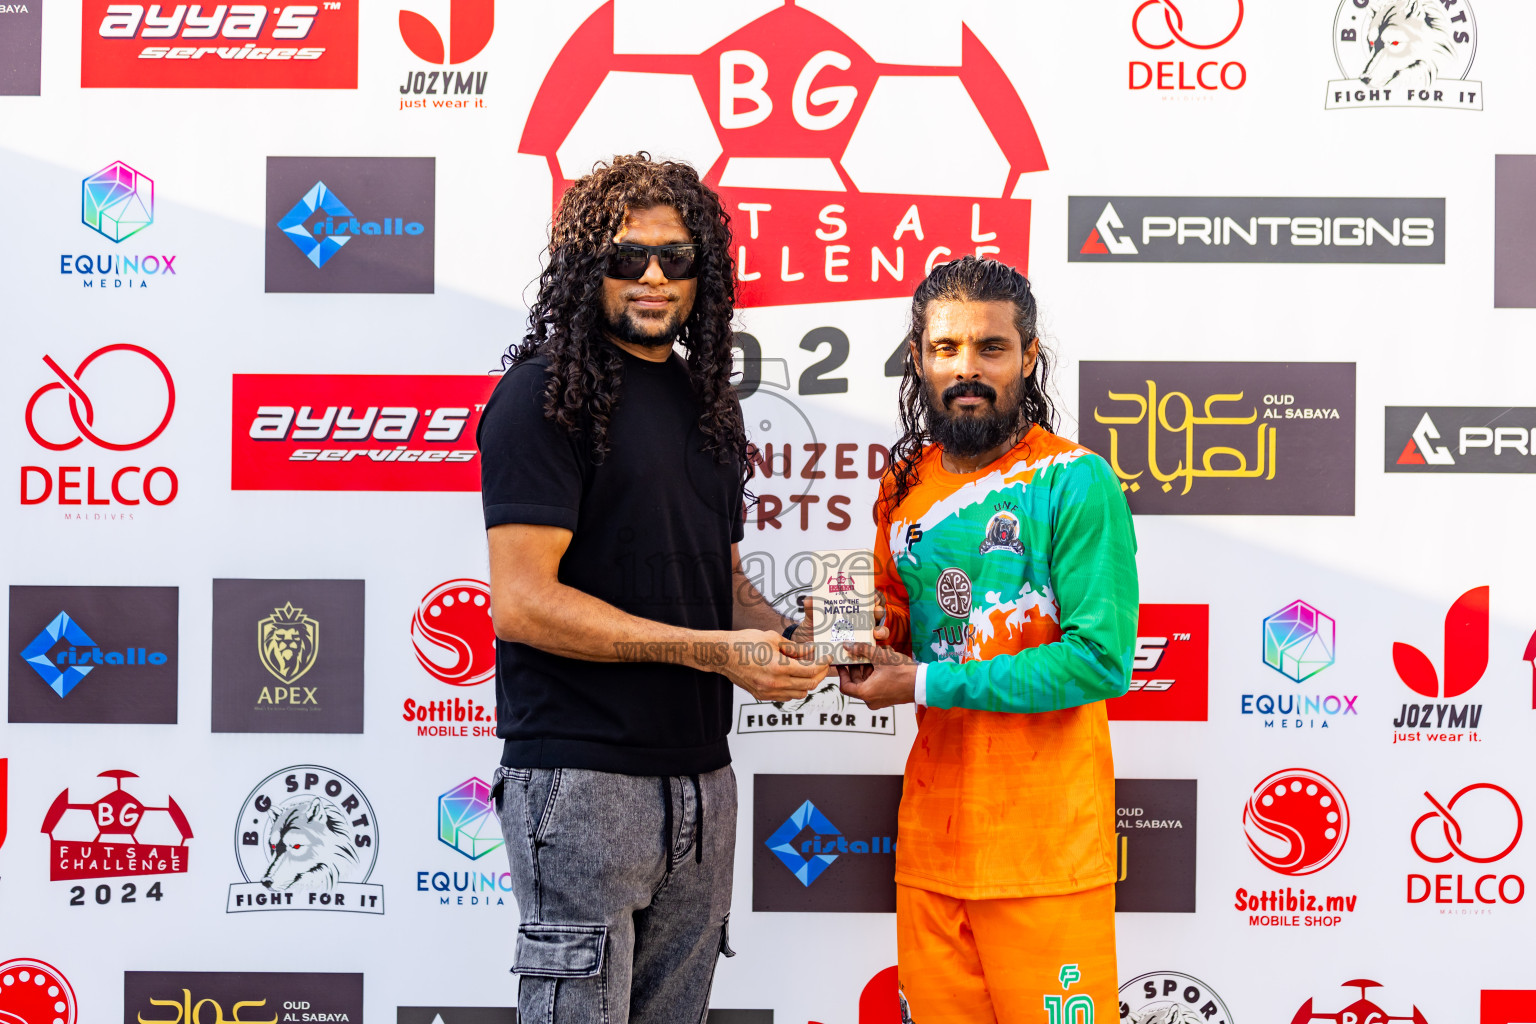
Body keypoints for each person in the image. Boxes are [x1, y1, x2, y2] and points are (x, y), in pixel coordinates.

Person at [477, 154, 828, 1024]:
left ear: (704, 274)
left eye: (676, 259)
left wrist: (790, 636)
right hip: (583, 780)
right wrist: (714, 651)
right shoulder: (539, 397)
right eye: (627, 258)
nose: (653, 277)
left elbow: (723, 581)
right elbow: (522, 602)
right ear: (584, 268)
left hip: (703, 781)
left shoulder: (708, 401)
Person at [837, 257, 1139, 1024]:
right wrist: (851, 640)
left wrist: (923, 682)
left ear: (1029, 355)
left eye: (990, 348)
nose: (965, 369)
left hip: (1047, 859)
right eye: (945, 349)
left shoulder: (1075, 480)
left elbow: (1100, 659)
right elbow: (898, 619)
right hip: (934, 853)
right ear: (918, 357)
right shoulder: (903, 485)